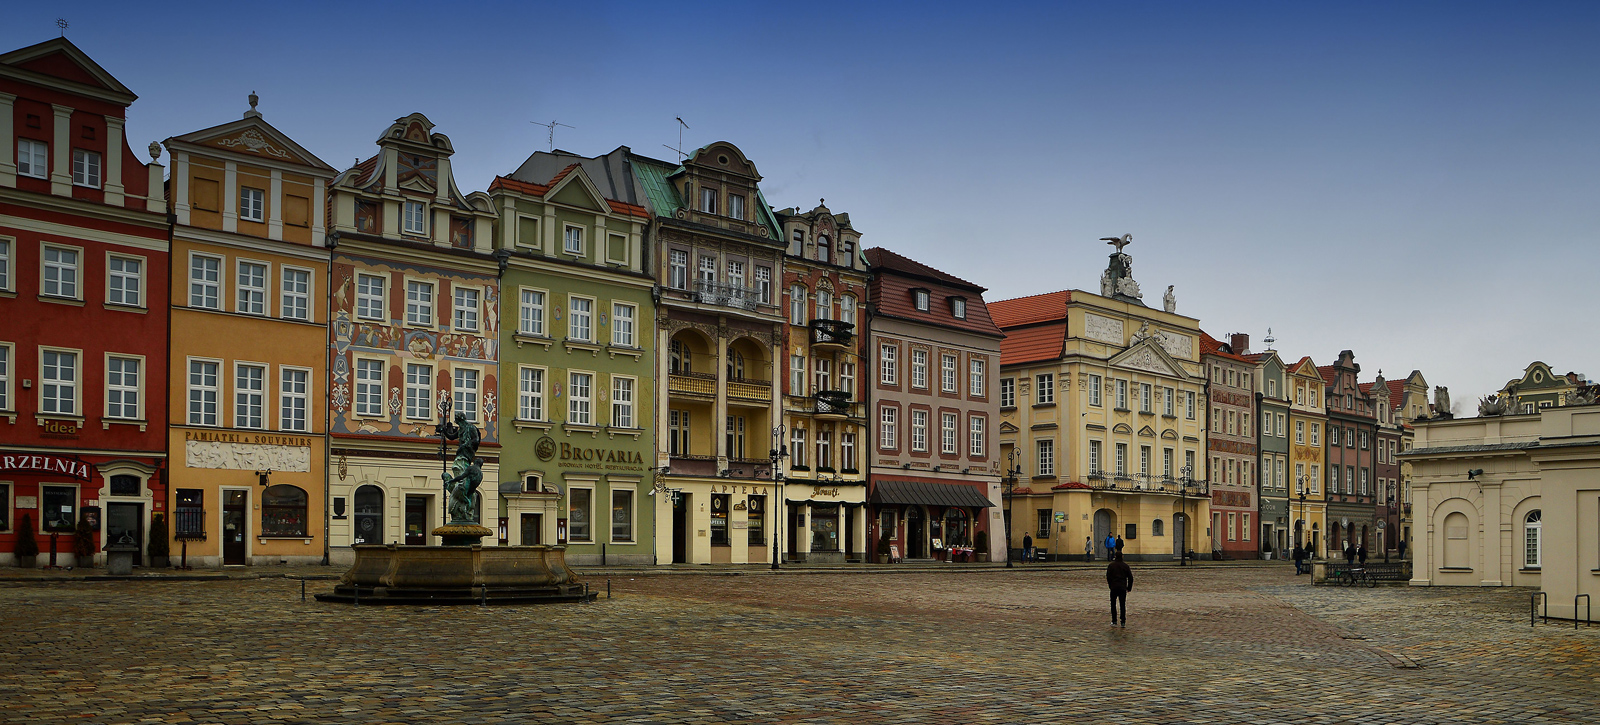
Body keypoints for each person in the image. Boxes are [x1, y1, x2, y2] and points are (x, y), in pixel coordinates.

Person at [1106, 551, 1133, 627]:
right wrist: (1129, 587)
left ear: (1115, 556)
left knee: (1113, 604)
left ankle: (1114, 620)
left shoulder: (1111, 565)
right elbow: (1130, 578)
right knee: (1122, 604)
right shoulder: (1125, 566)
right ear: (1122, 557)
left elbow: (1108, 576)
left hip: (1114, 587)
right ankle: (1123, 621)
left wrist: (1110, 585)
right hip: (1122, 587)